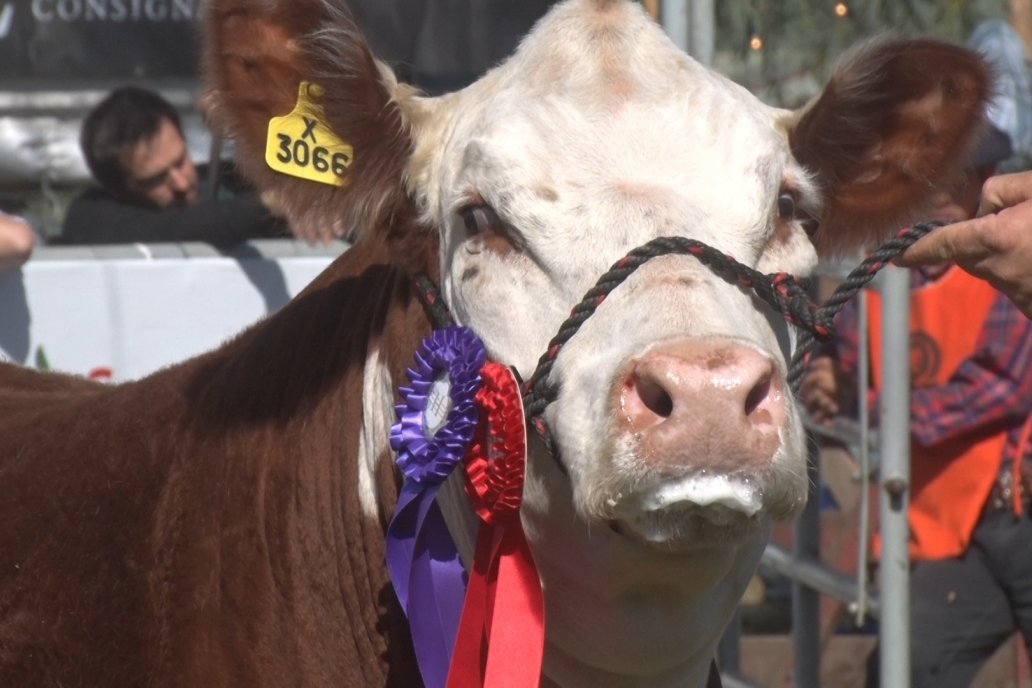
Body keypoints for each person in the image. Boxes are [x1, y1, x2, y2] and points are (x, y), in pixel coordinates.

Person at [803, 128, 1032, 688]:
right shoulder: (887, 275)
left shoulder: (1012, 263)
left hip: (1021, 509)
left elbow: (1003, 385)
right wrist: (829, 376)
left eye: (955, 176)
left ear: (987, 180)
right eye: (927, 177)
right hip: (955, 524)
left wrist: (876, 409)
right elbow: (849, 356)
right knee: (907, 664)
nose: (938, 192)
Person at [61, 86, 287, 247]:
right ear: (117, 190)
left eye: (180, 162)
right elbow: (172, 230)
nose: (181, 183)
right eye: (156, 179)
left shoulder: (233, 182)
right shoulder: (91, 218)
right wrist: (262, 206)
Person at [898, 168, 1032, 318]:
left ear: (986, 177)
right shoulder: (880, 271)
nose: (939, 198)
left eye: (956, 183)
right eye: (923, 185)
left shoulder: (1013, 282)